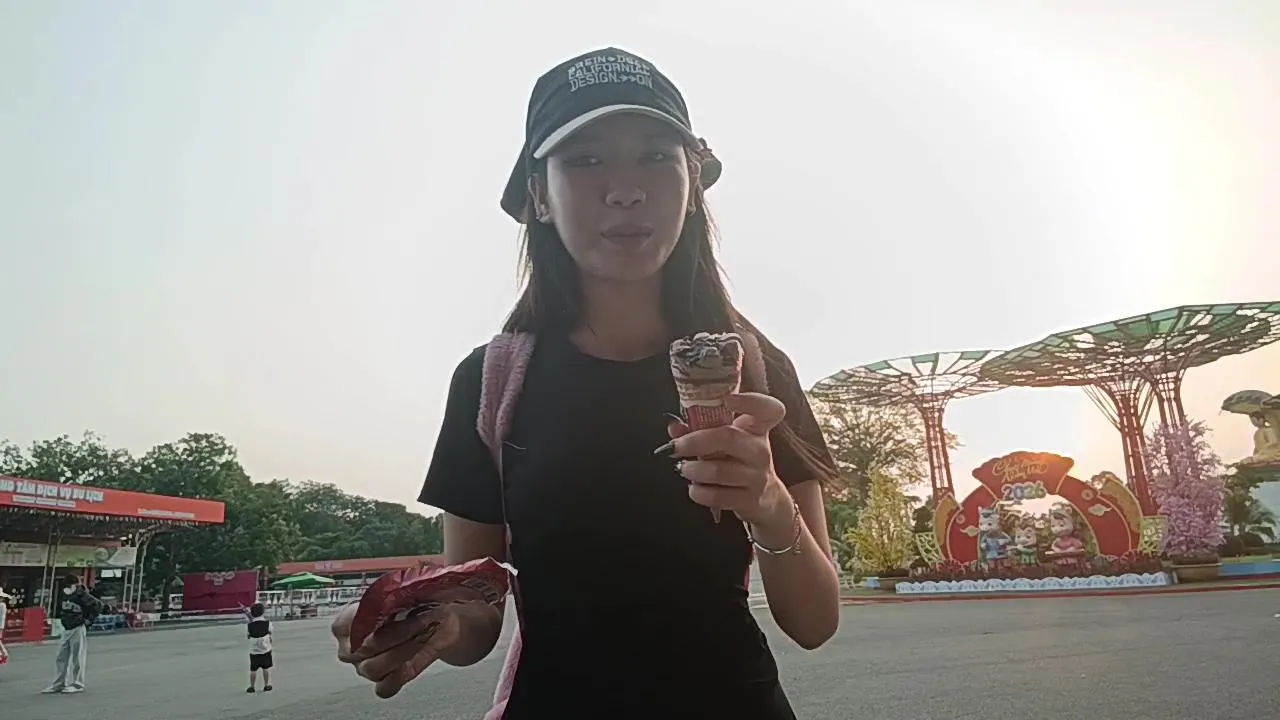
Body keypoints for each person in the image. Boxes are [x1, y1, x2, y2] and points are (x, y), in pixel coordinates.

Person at [331, 47, 841, 718]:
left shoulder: (757, 370)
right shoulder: (490, 382)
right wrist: (437, 622)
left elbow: (814, 623)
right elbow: (477, 614)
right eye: (586, 159)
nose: (625, 189)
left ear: (692, 184)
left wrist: (769, 502)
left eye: (655, 156)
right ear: (539, 196)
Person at [42, 574, 101, 694]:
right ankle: (59, 683)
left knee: (77, 657)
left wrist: (88, 621)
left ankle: (77, 683)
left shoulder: (82, 595)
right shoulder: (63, 595)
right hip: (66, 628)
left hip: (78, 627)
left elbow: (98, 606)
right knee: (61, 656)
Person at [245, 602, 274, 693]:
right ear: (263, 612)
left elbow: (248, 636)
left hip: (254, 651)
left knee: (253, 670)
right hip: (265, 650)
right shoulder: (268, 623)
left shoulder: (249, 625)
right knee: (266, 668)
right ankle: (267, 685)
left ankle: (252, 686)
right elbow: (270, 632)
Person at [0, 587, 13, 666]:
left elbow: (2, 617)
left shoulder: (2, 605)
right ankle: (3, 654)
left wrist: (1, 627)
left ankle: (4, 654)